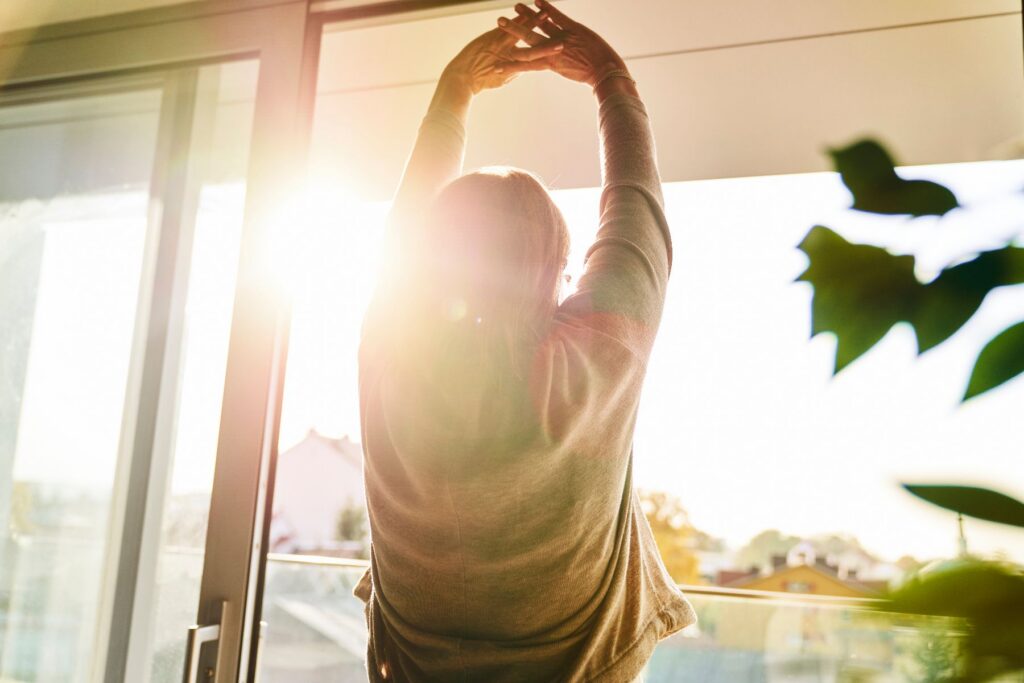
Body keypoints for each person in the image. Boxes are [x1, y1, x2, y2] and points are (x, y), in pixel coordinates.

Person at [354, 2, 695, 680]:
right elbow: (637, 209)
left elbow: (407, 233)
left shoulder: (392, 349)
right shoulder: (593, 360)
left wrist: (455, 91)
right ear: (560, 269)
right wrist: (609, 79)